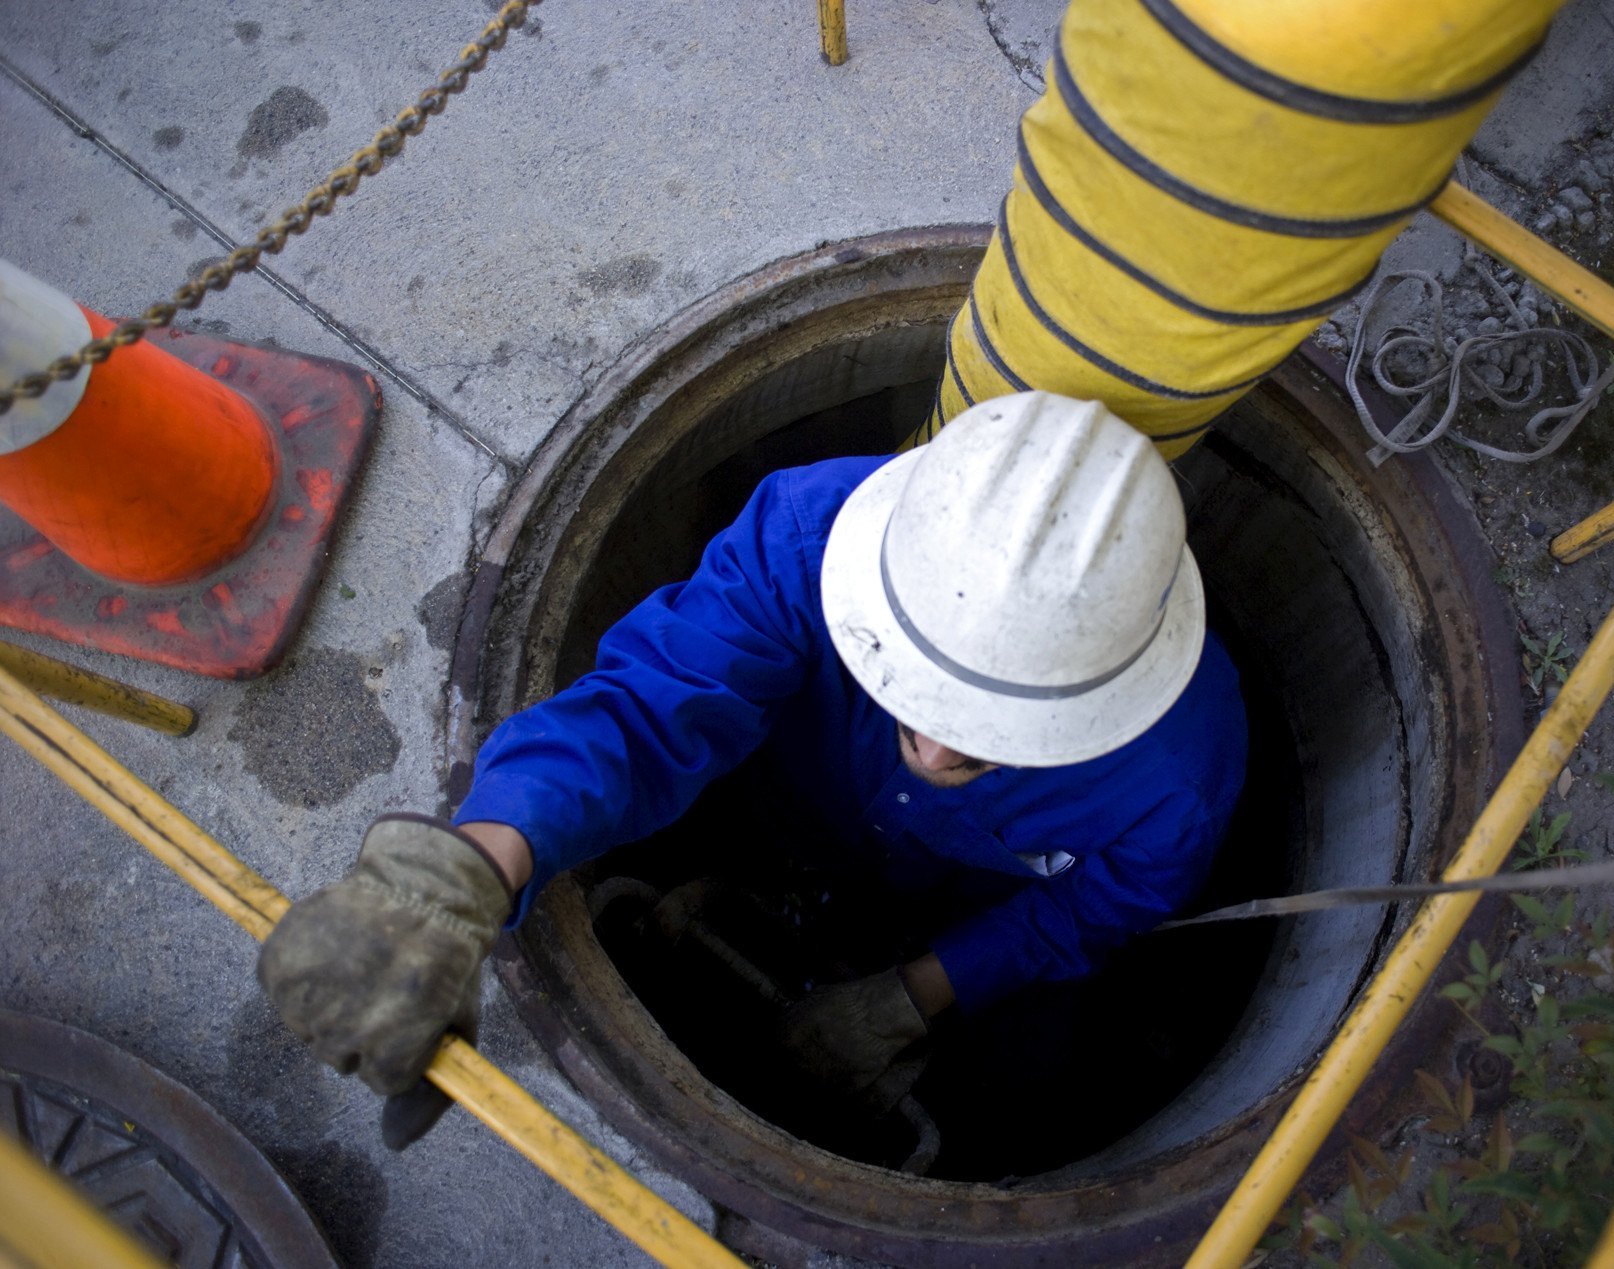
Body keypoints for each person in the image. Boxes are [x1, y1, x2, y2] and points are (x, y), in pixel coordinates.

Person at [258, 391, 1248, 1147]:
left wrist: (919, 993)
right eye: (918, 688)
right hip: (785, 813)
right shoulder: (810, 536)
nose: (940, 750)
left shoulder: (1177, 772)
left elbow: (1094, 910)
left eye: (998, 730)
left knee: (1040, 1073)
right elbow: (652, 709)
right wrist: (469, 866)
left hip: (955, 902)